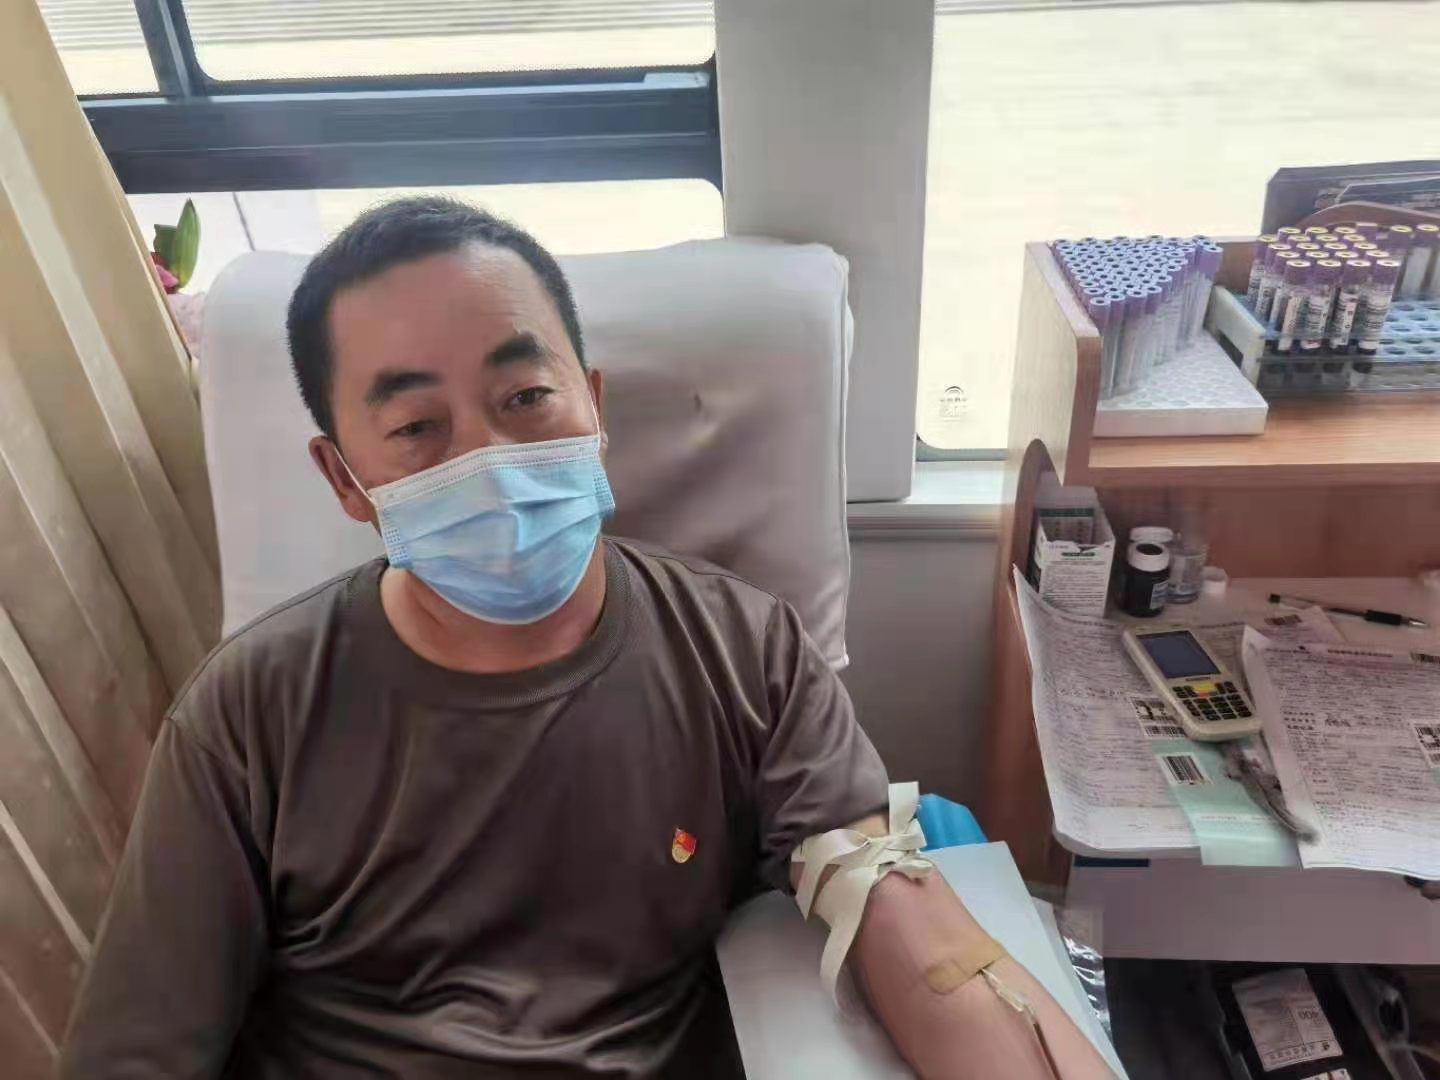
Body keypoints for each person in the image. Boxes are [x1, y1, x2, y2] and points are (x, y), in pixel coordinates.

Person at [60, 197, 1116, 1080]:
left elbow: (902, 923)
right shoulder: (247, 718)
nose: (489, 457)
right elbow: (137, 1052)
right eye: (417, 428)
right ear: (345, 479)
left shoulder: (743, 653)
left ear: (594, 408)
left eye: (526, 396)